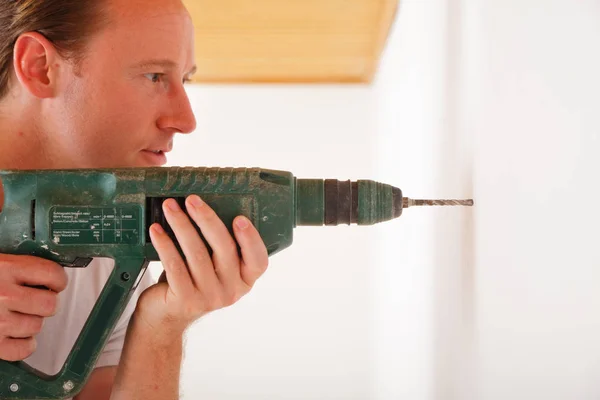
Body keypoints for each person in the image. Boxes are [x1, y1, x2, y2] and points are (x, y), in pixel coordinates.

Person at [0, 0, 269, 398]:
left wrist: (161, 324)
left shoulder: (103, 237)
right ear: (40, 67)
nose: (185, 119)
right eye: (154, 75)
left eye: (185, 80)